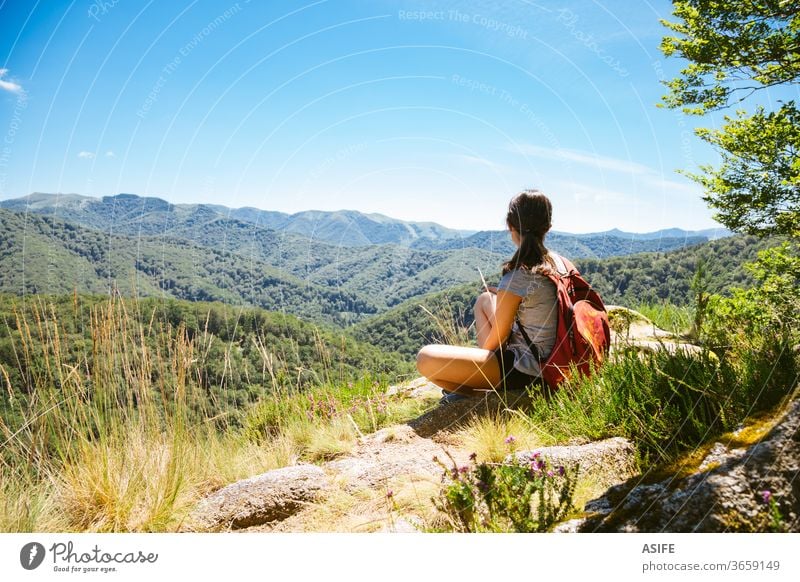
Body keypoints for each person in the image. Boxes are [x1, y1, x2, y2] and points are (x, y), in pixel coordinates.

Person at [416, 189, 566, 402]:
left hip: (529, 371)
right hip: (556, 358)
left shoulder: (519, 275)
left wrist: (508, 296)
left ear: (510, 226)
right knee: (485, 299)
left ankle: (475, 391)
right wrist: (506, 298)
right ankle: (478, 385)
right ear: (548, 227)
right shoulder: (560, 263)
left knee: (425, 358)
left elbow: (493, 345)